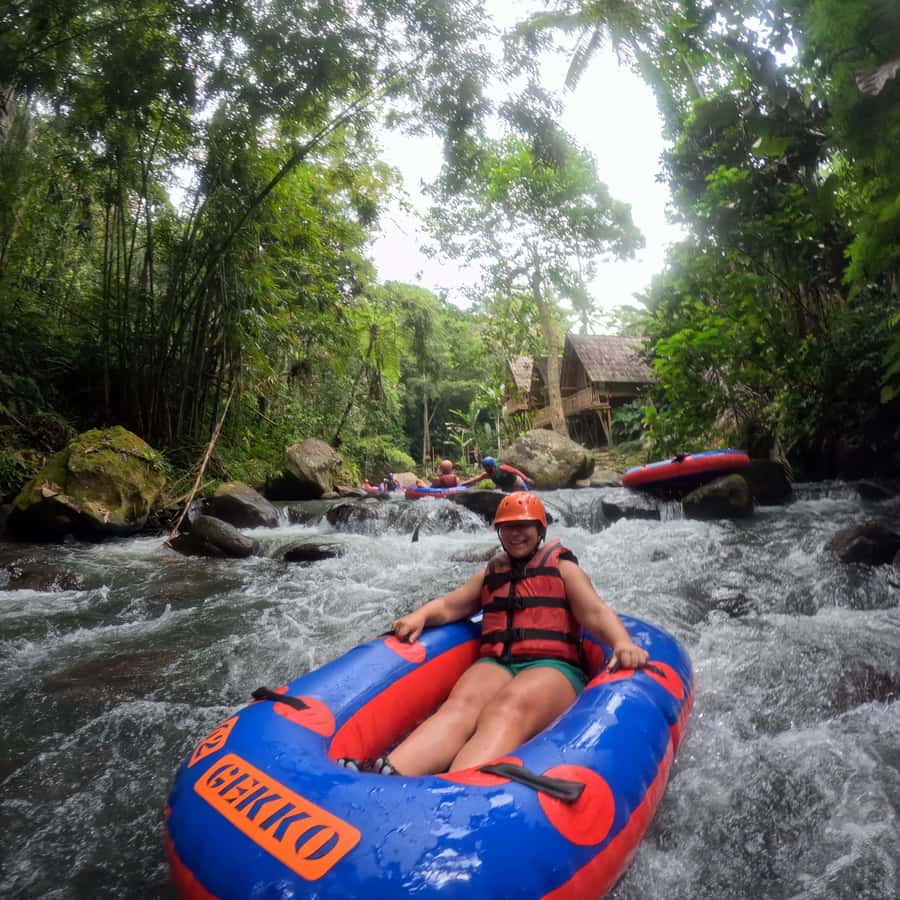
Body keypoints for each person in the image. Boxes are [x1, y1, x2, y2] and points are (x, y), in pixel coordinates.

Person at [344, 492, 648, 777]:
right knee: (461, 706)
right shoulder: (491, 573)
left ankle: (455, 788)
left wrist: (622, 642)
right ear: (499, 533)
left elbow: (594, 612)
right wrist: (420, 615)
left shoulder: (564, 569)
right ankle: (390, 773)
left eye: (524, 526)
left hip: (553, 667)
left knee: (508, 706)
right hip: (499, 663)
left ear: (539, 529)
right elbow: (451, 606)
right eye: (508, 528)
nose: (516, 534)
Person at [460, 455, 532, 492]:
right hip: (508, 489)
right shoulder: (487, 474)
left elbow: (516, 471)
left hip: (519, 486)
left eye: (487, 468)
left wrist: (526, 478)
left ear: (492, 466)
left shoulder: (502, 468)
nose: (486, 470)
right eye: (485, 468)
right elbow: (476, 479)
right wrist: (464, 483)